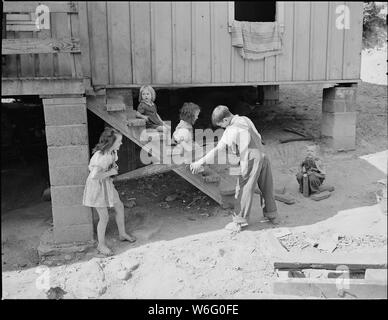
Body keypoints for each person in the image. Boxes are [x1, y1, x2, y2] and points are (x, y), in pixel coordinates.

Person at [190, 105, 280, 228]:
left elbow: (218, 150)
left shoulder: (231, 130)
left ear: (226, 120)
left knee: (243, 188)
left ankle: (240, 221)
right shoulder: (245, 119)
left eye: (221, 125)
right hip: (263, 155)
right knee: (266, 186)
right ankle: (272, 215)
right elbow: (258, 136)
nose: (222, 127)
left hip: (250, 158)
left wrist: (200, 162)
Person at [83, 127, 136, 256]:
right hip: (97, 187)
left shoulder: (112, 153)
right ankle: (101, 245)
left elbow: (110, 166)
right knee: (104, 217)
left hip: (106, 184)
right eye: (119, 141)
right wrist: (110, 172)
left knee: (119, 206)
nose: (121, 143)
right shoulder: (102, 156)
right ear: (111, 143)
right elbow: (94, 176)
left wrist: (112, 168)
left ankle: (122, 234)